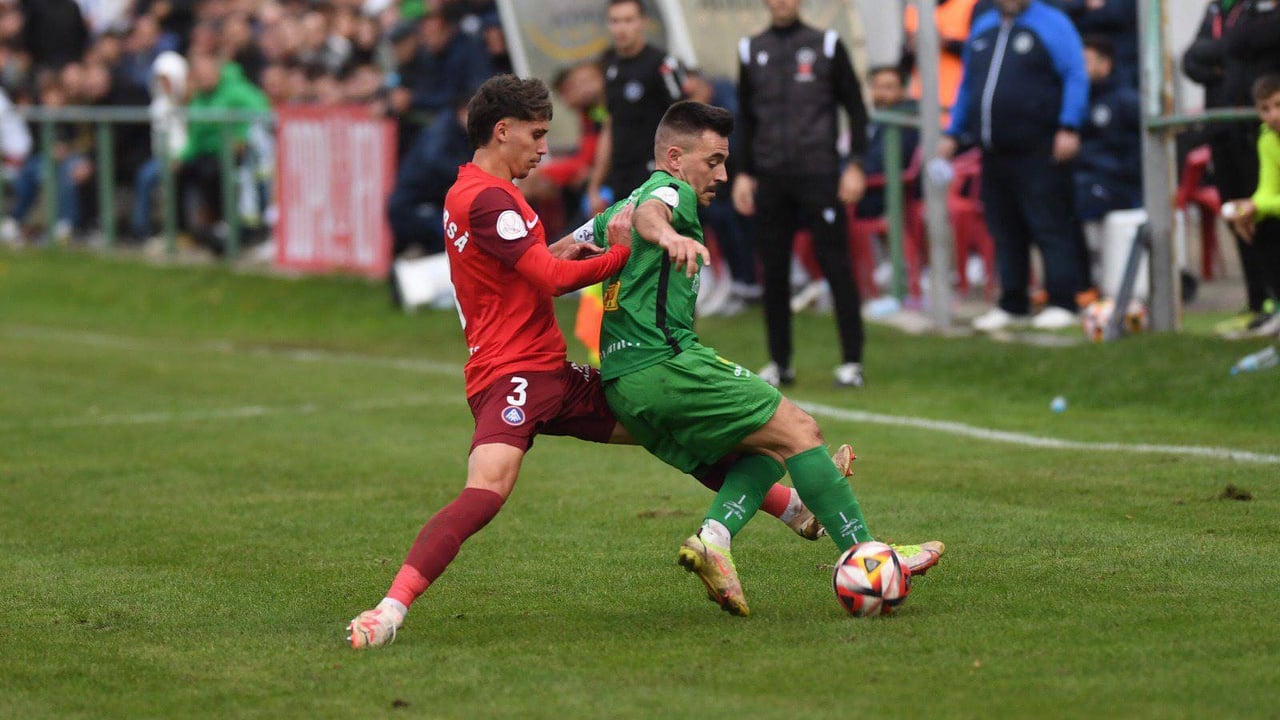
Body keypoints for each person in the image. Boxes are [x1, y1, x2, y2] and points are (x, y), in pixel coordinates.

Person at [347, 76, 831, 649]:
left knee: (665, 426)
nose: (545, 148)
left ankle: (793, 507)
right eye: (538, 134)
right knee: (486, 491)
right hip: (513, 376)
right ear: (502, 132)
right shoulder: (490, 199)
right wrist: (623, 254)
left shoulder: (473, 192)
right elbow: (550, 282)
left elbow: (528, 265)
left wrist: (571, 246)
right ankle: (389, 610)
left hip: (551, 370)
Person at [596, 100, 944, 616]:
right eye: (713, 161)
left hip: (623, 383)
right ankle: (869, 557)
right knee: (801, 430)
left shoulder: (618, 207)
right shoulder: (669, 194)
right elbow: (657, 213)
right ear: (674, 157)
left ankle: (714, 538)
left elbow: (561, 250)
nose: (722, 173)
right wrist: (669, 235)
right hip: (666, 364)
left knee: (763, 452)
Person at [732, 0, 870, 388]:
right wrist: (743, 174)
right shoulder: (750, 48)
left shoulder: (826, 44)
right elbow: (744, 118)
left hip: (820, 174)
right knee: (773, 270)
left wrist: (856, 164)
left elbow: (857, 109)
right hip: (771, 177)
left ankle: (852, 362)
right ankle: (780, 363)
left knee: (836, 265)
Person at [942, 0, 1090, 332]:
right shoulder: (983, 27)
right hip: (993, 149)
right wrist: (953, 131)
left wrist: (1069, 125)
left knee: (1050, 224)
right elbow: (968, 84)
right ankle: (1013, 302)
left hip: (1040, 146)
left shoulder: (1052, 23)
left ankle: (1063, 301)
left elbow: (1075, 74)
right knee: (1005, 229)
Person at [1182, 0, 1280, 333]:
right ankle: (1259, 302)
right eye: (1268, 106)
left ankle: (1271, 301)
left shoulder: (1258, 8)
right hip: (1224, 132)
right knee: (1241, 216)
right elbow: (1191, 59)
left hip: (1249, 130)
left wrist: (1228, 52)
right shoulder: (1215, 9)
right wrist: (1225, 62)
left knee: (1265, 222)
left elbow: (1242, 42)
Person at [584, 0, 687, 216]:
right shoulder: (609, 65)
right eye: (615, 21)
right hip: (621, 175)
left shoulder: (662, 63)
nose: (621, 28)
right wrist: (595, 184)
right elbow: (610, 125)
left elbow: (684, 121)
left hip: (656, 174)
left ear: (643, 23)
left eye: (629, 20)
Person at [1074, 36, 1141, 279]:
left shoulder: (1125, 100)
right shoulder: (1082, 98)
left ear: (1105, 64)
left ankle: (1095, 275)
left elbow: (1135, 150)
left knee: (1082, 196)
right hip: (1091, 177)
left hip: (1120, 183)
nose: (1080, 67)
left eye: (1086, 61)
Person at [1223, 74, 1280, 336]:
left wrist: (1258, 206)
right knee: (1257, 225)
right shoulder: (1267, 139)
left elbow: (1266, 201)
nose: (1273, 115)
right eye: (1265, 109)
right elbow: (1267, 190)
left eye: (1278, 105)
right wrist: (1248, 209)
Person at [386, 96, 472, 261]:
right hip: (411, 206)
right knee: (453, 235)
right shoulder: (442, 132)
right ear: (463, 111)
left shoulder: (457, 132)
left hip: (429, 204)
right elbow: (434, 161)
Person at [856, 65, 921, 221]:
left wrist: (850, 169)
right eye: (876, 87)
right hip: (869, 189)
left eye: (888, 87)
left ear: (903, 90)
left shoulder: (904, 122)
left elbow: (880, 163)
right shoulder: (878, 119)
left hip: (880, 196)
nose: (880, 94)